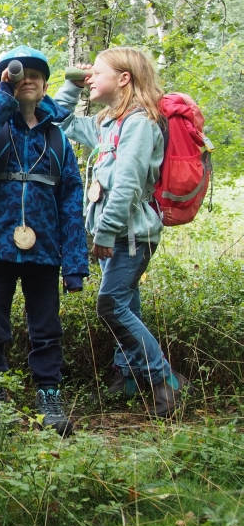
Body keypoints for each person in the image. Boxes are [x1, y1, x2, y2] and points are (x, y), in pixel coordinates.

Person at [53, 47, 189, 418]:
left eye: (97, 73)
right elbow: (56, 125)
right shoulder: (107, 122)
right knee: (127, 303)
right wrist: (70, 85)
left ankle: (164, 382)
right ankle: (128, 377)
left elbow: (128, 180)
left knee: (110, 304)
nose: (91, 78)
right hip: (116, 234)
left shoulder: (142, 122)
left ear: (124, 78)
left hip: (131, 235)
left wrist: (106, 233)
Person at [0, 45, 89, 436]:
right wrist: (2, 98)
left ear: (46, 84)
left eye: (35, 74)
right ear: (5, 84)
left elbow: (71, 200)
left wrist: (76, 263)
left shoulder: (57, 139)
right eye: (18, 75)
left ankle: (49, 395)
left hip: (46, 251)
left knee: (46, 327)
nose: (27, 79)